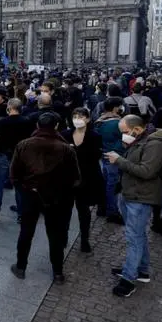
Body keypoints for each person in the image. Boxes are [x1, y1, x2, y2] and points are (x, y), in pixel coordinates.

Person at [105, 115, 162, 298]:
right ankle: (141, 270)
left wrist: (118, 160)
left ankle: (128, 278)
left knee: (133, 238)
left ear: (137, 128)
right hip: (131, 193)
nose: (123, 136)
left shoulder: (155, 145)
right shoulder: (140, 141)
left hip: (141, 196)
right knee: (137, 235)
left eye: (125, 132)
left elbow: (146, 171)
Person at [9, 111, 80, 283]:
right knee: (55, 234)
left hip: (31, 194)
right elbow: (75, 178)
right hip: (56, 196)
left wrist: (24, 188)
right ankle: (57, 272)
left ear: (38, 126)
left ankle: (21, 266)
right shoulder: (65, 148)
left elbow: (14, 173)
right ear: (56, 126)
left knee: (26, 231)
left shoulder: (24, 145)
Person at [60, 107, 104, 253]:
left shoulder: (94, 136)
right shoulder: (65, 134)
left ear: (88, 119)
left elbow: (95, 157)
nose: (77, 119)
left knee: (83, 211)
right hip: (67, 179)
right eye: (75, 116)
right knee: (65, 210)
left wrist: (77, 152)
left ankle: (85, 238)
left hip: (87, 179)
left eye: (81, 116)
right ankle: (64, 236)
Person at [0, 98, 33, 222]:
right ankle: (21, 213)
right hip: (20, 156)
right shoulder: (27, 121)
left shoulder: (2, 121)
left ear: (9, 108)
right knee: (19, 186)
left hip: (3, 154)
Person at [94, 97, 126, 224]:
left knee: (106, 183)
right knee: (112, 185)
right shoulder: (117, 123)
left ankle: (102, 207)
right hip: (115, 156)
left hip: (104, 155)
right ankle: (112, 211)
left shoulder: (99, 121)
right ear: (115, 108)